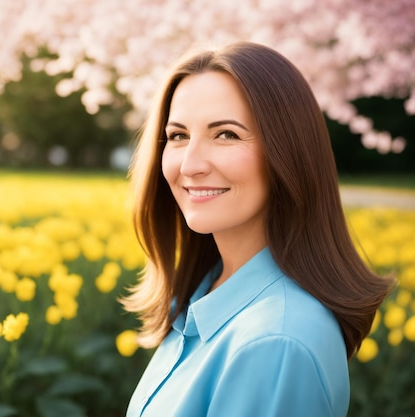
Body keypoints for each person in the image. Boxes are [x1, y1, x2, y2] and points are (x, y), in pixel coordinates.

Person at [122, 42, 394, 417]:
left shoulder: (274, 344)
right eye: (178, 135)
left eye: (226, 134)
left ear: (287, 151)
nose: (190, 164)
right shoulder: (207, 293)